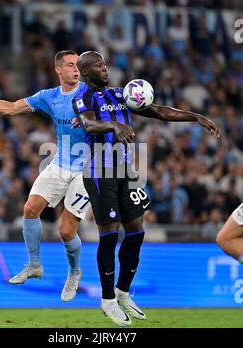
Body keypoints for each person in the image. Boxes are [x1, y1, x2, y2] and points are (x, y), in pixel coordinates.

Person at [72, 51, 220, 326]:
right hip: (99, 172)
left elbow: (158, 110)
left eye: (105, 64)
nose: (105, 69)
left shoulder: (119, 94)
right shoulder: (83, 97)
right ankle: (107, 301)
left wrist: (195, 116)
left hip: (126, 171)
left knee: (137, 232)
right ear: (84, 71)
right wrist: (114, 124)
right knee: (109, 235)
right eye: (98, 65)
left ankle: (123, 293)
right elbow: (89, 123)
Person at [0, 50, 90, 302]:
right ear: (58, 69)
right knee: (30, 208)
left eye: (79, 65)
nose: (77, 69)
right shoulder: (49, 97)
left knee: (65, 231)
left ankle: (74, 272)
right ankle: (34, 265)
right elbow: (11, 108)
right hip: (60, 162)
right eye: (71, 65)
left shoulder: (90, 93)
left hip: (86, 169)